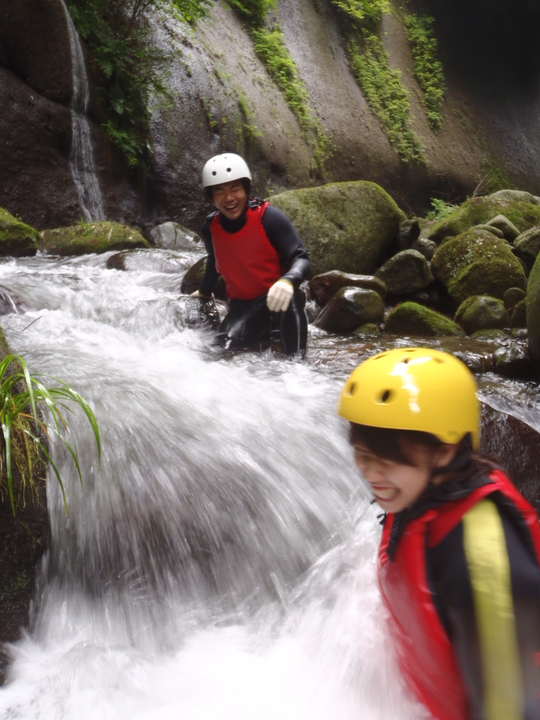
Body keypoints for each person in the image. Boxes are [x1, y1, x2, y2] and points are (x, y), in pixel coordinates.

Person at [337, 347, 540, 720]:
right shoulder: (417, 495)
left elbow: (512, 702)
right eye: (363, 455)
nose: (370, 475)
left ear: (445, 452)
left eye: (388, 461)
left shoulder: (482, 548)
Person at [192, 153, 310, 355]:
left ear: (246, 190)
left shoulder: (269, 218)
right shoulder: (209, 227)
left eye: (235, 189)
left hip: (281, 302)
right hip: (242, 307)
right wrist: (204, 292)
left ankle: (298, 365)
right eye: (219, 191)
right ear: (211, 197)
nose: (229, 198)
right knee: (222, 352)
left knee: (296, 364)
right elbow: (214, 261)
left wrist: (288, 281)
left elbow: (300, 258)